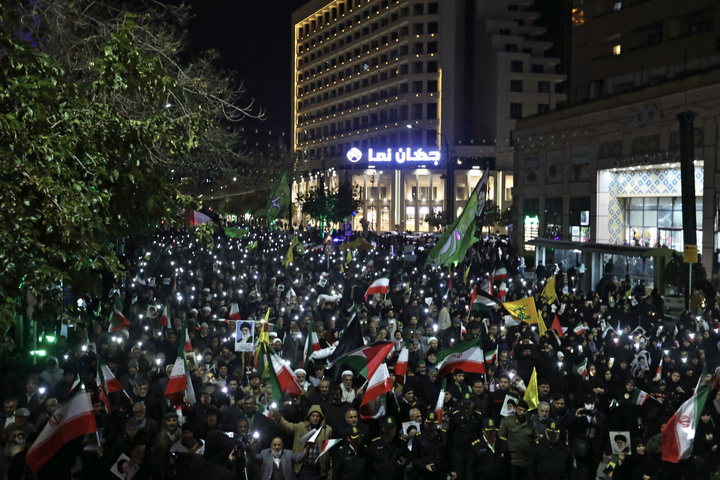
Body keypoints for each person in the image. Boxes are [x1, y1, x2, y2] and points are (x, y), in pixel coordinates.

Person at [274, 404, 333, 480]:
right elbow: (287, 426)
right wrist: (279, 418)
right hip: (303, 468)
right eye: (313, 416)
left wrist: (331, 467)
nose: (315, 418)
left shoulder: (327, 430)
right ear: (309, 417)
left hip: (320, 469)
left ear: (321, 417)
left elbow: (330, 450)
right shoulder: (301, 427)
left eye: (317, 416)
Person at [569, 394, 608, 480]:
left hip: (595, 451)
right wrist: (576, 417)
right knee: (582, 475)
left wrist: (607, 451)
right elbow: (571, 428)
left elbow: (605, 434)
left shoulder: (601, 416)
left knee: (592, 475)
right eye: (587, 402)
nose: (590, 404)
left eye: (591, 402)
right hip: (582, 450)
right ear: (584, 403)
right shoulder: (579, 414)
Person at [498, 399, 535, 480]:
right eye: (520, 410)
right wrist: (506, 451)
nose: (521, 412)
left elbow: (535, 438)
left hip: (526, 460)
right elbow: (500, 437)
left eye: (524, 411)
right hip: (512, 460)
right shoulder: (507, 421)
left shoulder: (531, 423)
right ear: (515, 408)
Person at [411, 411, 450, 480]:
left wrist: (452, 469)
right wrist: (425, 466)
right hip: (425, 474)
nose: (431, 425)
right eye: (429, 423)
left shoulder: (443, 435)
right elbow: (414, 458)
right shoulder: (419, 437)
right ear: (425, 423)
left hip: (441, 473)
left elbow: (449, 453)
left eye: (433, 423)